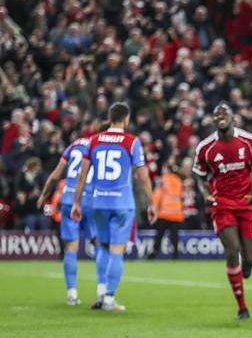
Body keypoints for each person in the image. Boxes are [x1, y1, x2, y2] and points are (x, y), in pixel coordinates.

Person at [71, 102, 157, 312]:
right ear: (126, 118)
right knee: (117, 250)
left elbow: (82, 174)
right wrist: (152, 202)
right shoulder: (131, 141)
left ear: (109, 118)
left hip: (98, 202)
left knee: (102, 246)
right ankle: (109, 298)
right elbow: (142, 175)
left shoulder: (94, 140)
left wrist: (76, 202)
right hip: (122, 204)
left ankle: (101, 291)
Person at [193, 102, 252, 320]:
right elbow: (199, 175)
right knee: (232, 249)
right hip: (222, 204)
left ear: (232, 118)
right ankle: (242, 307)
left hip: (247, 204)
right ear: (213, 120)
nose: (220, 116)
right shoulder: (206, 148)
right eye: (216, 114)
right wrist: (206, 193)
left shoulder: (249, 141)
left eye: (224, 113)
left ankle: (248, 263)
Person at [37, 136, 98, 306]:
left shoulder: (72, 146)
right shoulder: (98, 145)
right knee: (100, 244)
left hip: (69, 199)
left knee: (71, 248)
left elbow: (55, 175)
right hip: (90, 199)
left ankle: (72, 294)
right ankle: (104, 292)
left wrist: (43, 195)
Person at [147, 162, 184, 259]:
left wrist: (153, 207)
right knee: (174, 236)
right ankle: (176, 255)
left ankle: (153, 253)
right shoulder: (178, 180)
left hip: (164, 213)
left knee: (159, 235)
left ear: (167, 169)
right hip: (177, 214)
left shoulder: (162, 180)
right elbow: (181, 196)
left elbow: (157, 195)